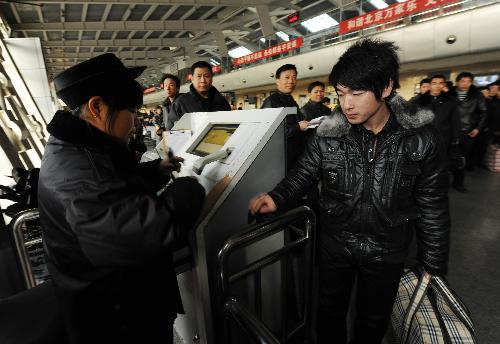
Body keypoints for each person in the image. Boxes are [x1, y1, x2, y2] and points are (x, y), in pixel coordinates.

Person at [249, 39, 450, 344]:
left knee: (372, 320)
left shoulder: (421, 139)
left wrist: (433, 263)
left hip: (387, 249)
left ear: (385, 88)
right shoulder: (331, 131)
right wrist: (277, 197)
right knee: (329, 312)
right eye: (341, 94)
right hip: (335, 242)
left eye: (357, 94)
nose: (347, 105)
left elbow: (432, 204)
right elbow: (305, 171)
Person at [38, 53, 206, 344]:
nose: (136, 123)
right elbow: (147, 230)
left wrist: (156, 171)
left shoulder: (78, 147)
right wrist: (192, 186)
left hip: (114, 302)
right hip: (119, 319)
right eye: (132, 111)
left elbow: (114, 184)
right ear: (97, 107)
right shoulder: (79, 175)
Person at [261, 64, 309, 171]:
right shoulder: (271, 102)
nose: (291, 81)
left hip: (295, 155)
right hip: (281, 159)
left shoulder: (290, 99)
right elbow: (268, 133)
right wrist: (297, 127)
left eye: (294, 77)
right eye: (287, 77)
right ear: (277, 80)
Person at [449, 72, 488, 190]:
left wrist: (477, 128)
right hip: (449, 130)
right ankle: (441, 182)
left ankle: (458, 183)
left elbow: (484, 112)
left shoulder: (476, 95)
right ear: (457, 82)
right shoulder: (449, 94)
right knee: (444, 157)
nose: (466, 84)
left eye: (468, 81)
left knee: (461, 158)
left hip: (466, 131)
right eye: (463, 81)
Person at [411, 74, 461, 166]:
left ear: (444, 85)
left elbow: (455, 121)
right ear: (430, 85)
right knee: (422, 163)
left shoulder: (450, 102)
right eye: (434, 83)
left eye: (440, 83)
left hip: (443, 138)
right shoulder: (419, 101)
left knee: (439, 163)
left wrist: (455, 138)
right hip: (424, 137)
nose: (437, 86)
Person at [169, 61, 230, 125]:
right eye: (198, 76)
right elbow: (172, 131)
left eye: (206, 76)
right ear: (192, 79)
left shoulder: (222, 102)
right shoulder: (180, 103)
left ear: (211, 78)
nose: (203, 80)